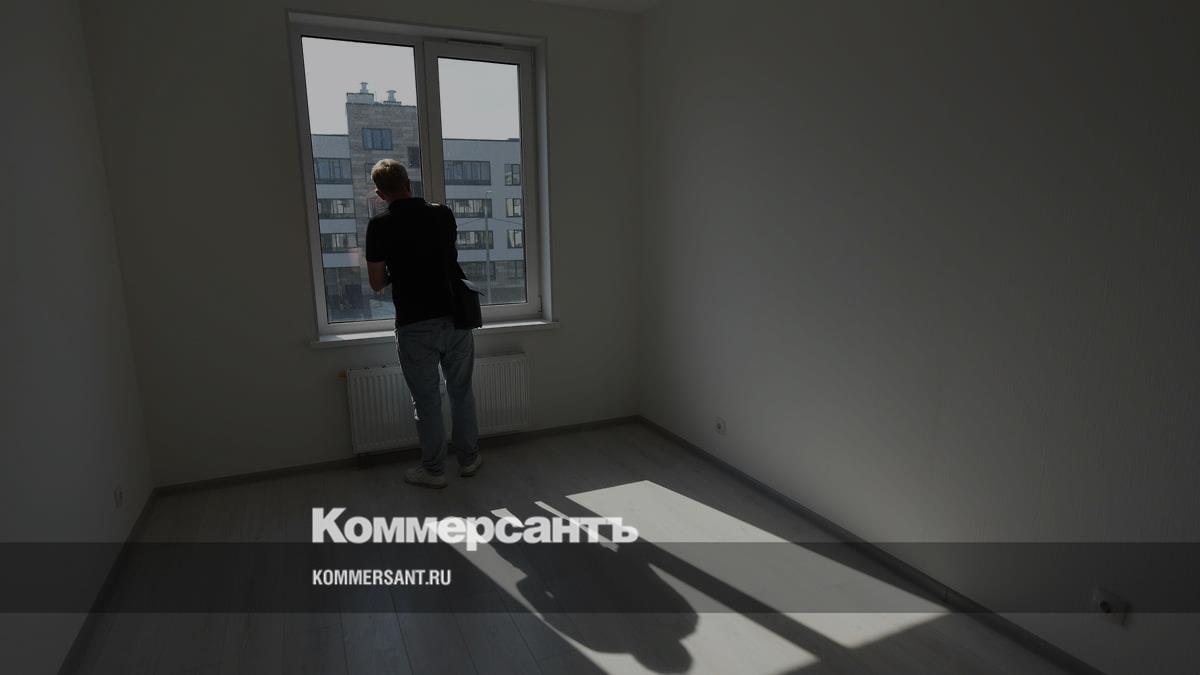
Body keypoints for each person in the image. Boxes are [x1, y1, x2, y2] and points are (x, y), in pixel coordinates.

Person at [365, 159, 481, 489]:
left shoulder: (379, 226)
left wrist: (398, 270)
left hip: (415, 324)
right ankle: (469, 460)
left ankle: (434, 471)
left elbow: (376, 282)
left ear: (380, 194)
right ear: (408, 183)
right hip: (455, 316)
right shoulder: (442, 214)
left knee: (427, 401)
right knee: (461, 392)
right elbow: (445, 256)